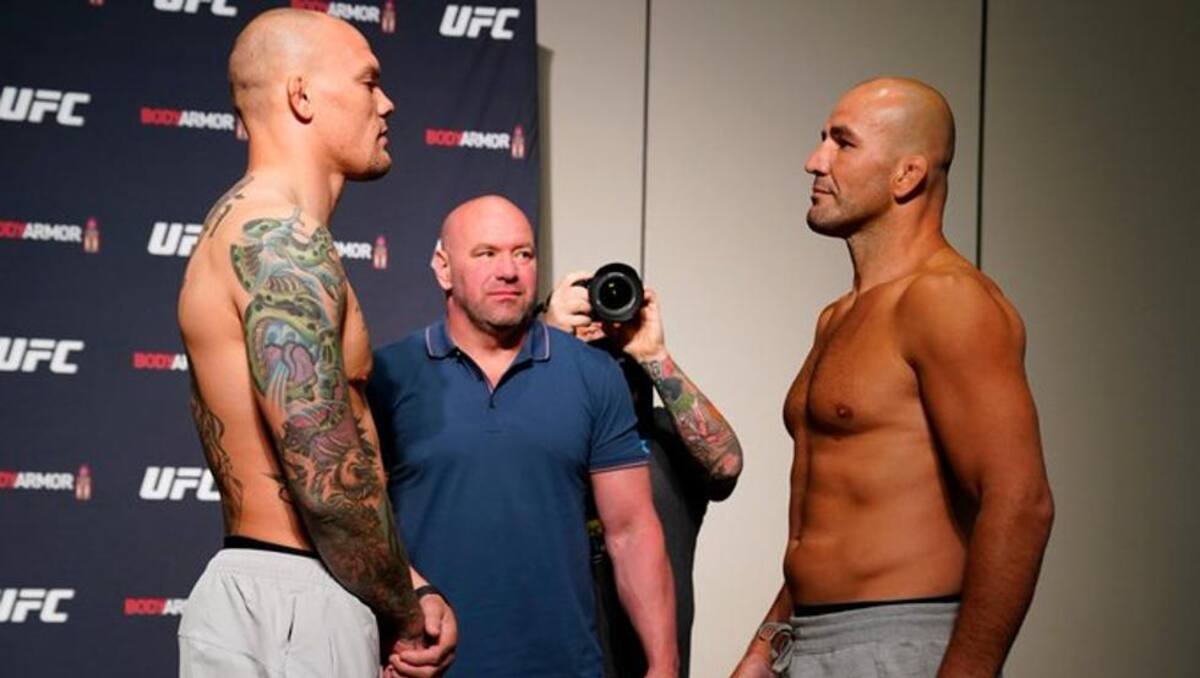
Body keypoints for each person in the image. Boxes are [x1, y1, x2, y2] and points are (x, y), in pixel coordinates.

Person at [730, 77, 1054, 678]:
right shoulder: (838, 317)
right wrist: (764, 648)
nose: (814, 161)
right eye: (822, 139)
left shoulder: (947, 300)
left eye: (843, 143)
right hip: (809, 638)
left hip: (899, 644)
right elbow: (832, 516)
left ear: (907, 175)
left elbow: (1021, 504)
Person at [176, 9, 455, 677]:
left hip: (278, 591)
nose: (386, 103)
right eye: (368, 81)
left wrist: (407, 582)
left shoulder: (250, 224)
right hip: (295, 603)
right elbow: (325, 477)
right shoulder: (280, 240)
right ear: (300, 95)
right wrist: (404, 612)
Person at [367, 195, 678, 677]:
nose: (509, 271)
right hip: (428, 666)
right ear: (443, 268)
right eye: (486, 253)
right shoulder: (387, 375)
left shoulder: (593, 375)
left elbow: (632, 531)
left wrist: (664, 665)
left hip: (563, 666)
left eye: (523, 254)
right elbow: (359, 527)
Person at [544, 275, 744, 677]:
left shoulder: (665, 437)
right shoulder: (541, 442)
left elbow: (725, 464)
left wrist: (651, 351)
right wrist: (551, 347)